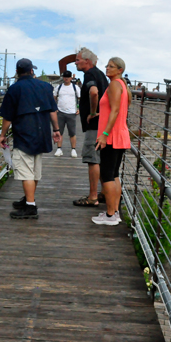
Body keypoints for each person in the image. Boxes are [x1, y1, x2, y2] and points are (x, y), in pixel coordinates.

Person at [0, 58, 61, 219]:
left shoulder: (14, 89)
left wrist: (3, 135)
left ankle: (31, 207)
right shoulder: (46, 87)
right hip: (42, 133)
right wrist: (56, 130)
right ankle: (28, 199)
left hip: (24, 134)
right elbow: (52, 110)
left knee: (26, 171)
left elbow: (8, 116)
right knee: (34, 170)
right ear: (32, 71)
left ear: (17, 72)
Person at [92, 57, 131, 225]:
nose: (107, 68)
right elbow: (115, 110)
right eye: (107, 65)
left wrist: (104, 134)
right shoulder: (121, 85)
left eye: (112, 66)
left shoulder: (114, 84)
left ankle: (109, 216)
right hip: (120, 134)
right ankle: (114, 213)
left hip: (112, 136)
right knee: (113, 174)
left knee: (106, 175)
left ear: (120, 70)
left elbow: (115, 110)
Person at [73, 47, 109, 207]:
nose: (75, 63)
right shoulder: (101, 74)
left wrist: (93, 112)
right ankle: (105, 193)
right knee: (100, 160)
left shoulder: (90, 75)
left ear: (87, 61)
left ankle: (92, 197)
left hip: (94, 125)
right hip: (103, 125)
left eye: (77, 60)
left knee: (92, 159)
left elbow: (93, 93)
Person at [53, 70, 80, 157]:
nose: (66, 79)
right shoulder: (59, 87)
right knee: (59, 131)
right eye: (65, 77)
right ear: (63, 78)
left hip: (72, 112)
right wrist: (55, 107)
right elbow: (54, 97)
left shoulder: (75, 87)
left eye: (68, 77)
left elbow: (79, 98)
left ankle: (73, 149)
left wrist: (79, 108)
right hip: (60, 112)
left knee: (72, 132)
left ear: (71, 78)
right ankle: (59, 148)